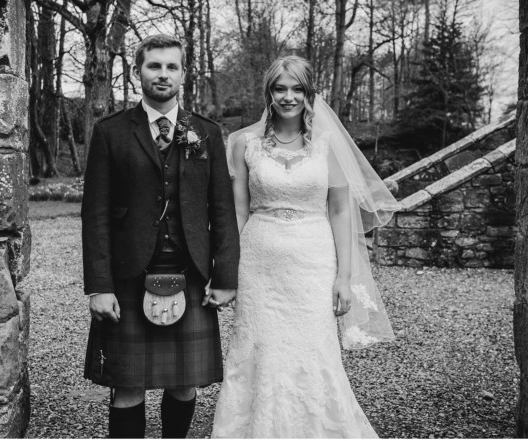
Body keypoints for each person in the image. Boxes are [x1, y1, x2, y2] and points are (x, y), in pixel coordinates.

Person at [211, 56, 401, 438]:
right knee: (257, 348)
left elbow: (339, 210)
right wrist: (224, 267)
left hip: (313, 262)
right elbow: (238, 209)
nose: (288, 96)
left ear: (309, 93)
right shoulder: (244, 143)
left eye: (297, 88)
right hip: (258, 262)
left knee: (314, 349)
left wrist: (343, 276)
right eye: (280, 88)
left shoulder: (327, 145)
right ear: (269, 92)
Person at [81, 34, 239, 439]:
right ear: (138, 72)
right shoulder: (111, 132)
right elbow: (95, 214)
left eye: (172, 66)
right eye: (154, 66)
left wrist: (225, 278)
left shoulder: (205, 133)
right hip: (128, 274)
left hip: (191, 273)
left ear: (184, 74)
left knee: (184, 383)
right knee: (128, 388)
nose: (163, 74)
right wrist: (99, 285)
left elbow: (222, 211)